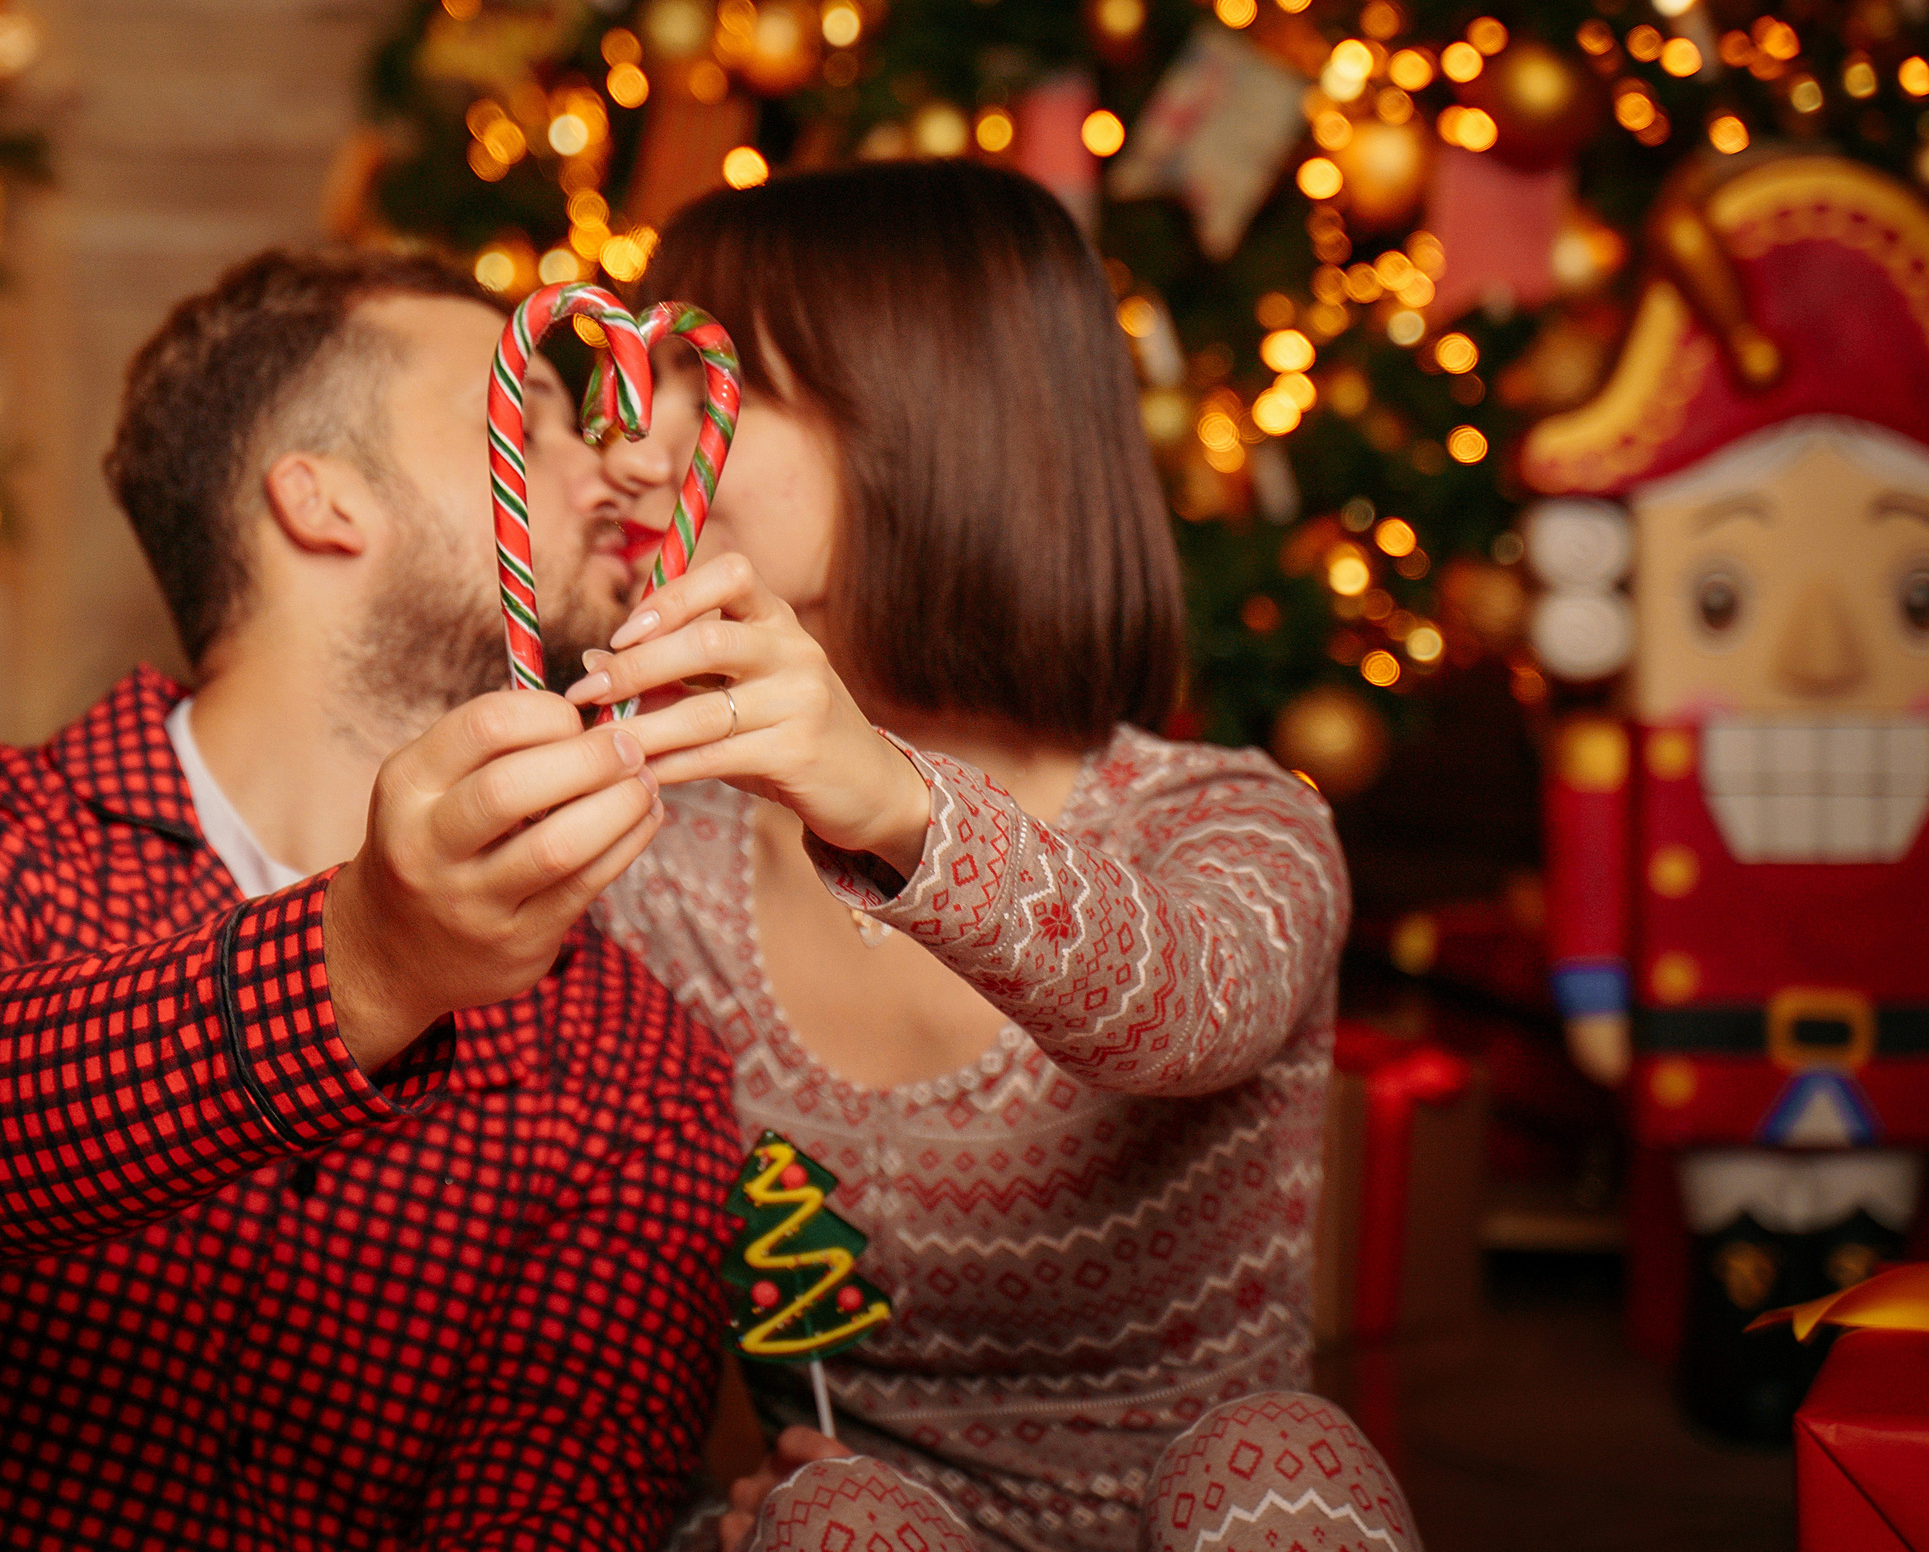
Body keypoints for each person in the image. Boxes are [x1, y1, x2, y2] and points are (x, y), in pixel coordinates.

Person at [0, 250, 738, 1551]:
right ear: (319, 498)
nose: (626, 470)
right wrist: (366, 962)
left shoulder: (630, 1052)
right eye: (525, 414)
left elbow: (549, 1505)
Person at [576, 162, 1422, 1552]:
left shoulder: (1236, 823)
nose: (645, 445)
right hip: (877, 1524)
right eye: (650, 380)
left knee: (1283, 1461)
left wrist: (891, 801)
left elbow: (1179, 1003)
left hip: (1213, 1515)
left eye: (721, 380)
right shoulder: (658, 865)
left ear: (929, 421)